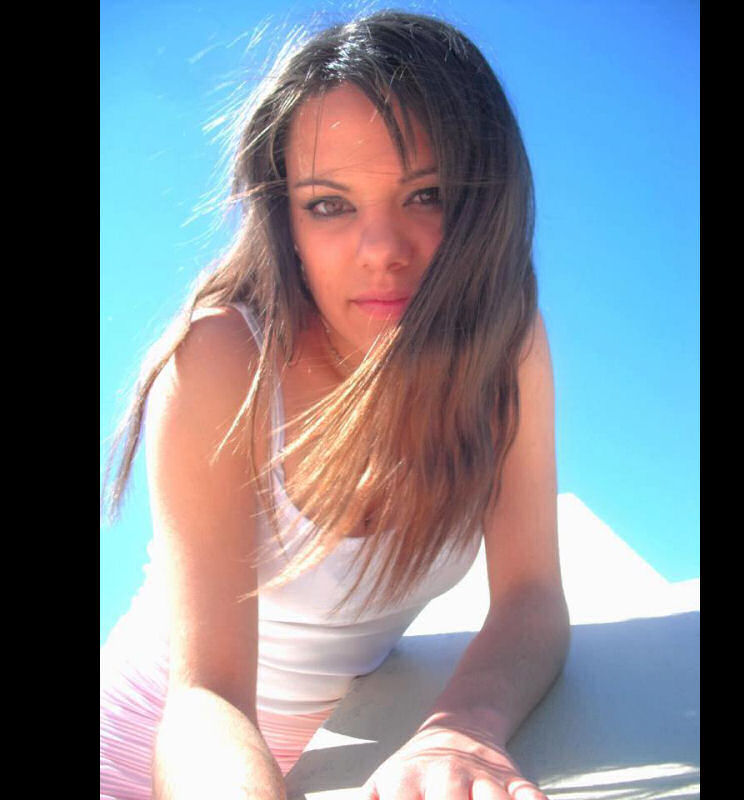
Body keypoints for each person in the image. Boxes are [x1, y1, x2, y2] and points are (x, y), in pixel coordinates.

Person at [101, 10, 570, 800]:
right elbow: (206, 694)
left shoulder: (506, 348)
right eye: (329, 204)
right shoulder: (224, 358)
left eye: (426, 195)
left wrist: (460, 732)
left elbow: (531, 598)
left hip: (331, 764)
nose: (382, 249)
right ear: (283, 216)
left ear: (485, 203)